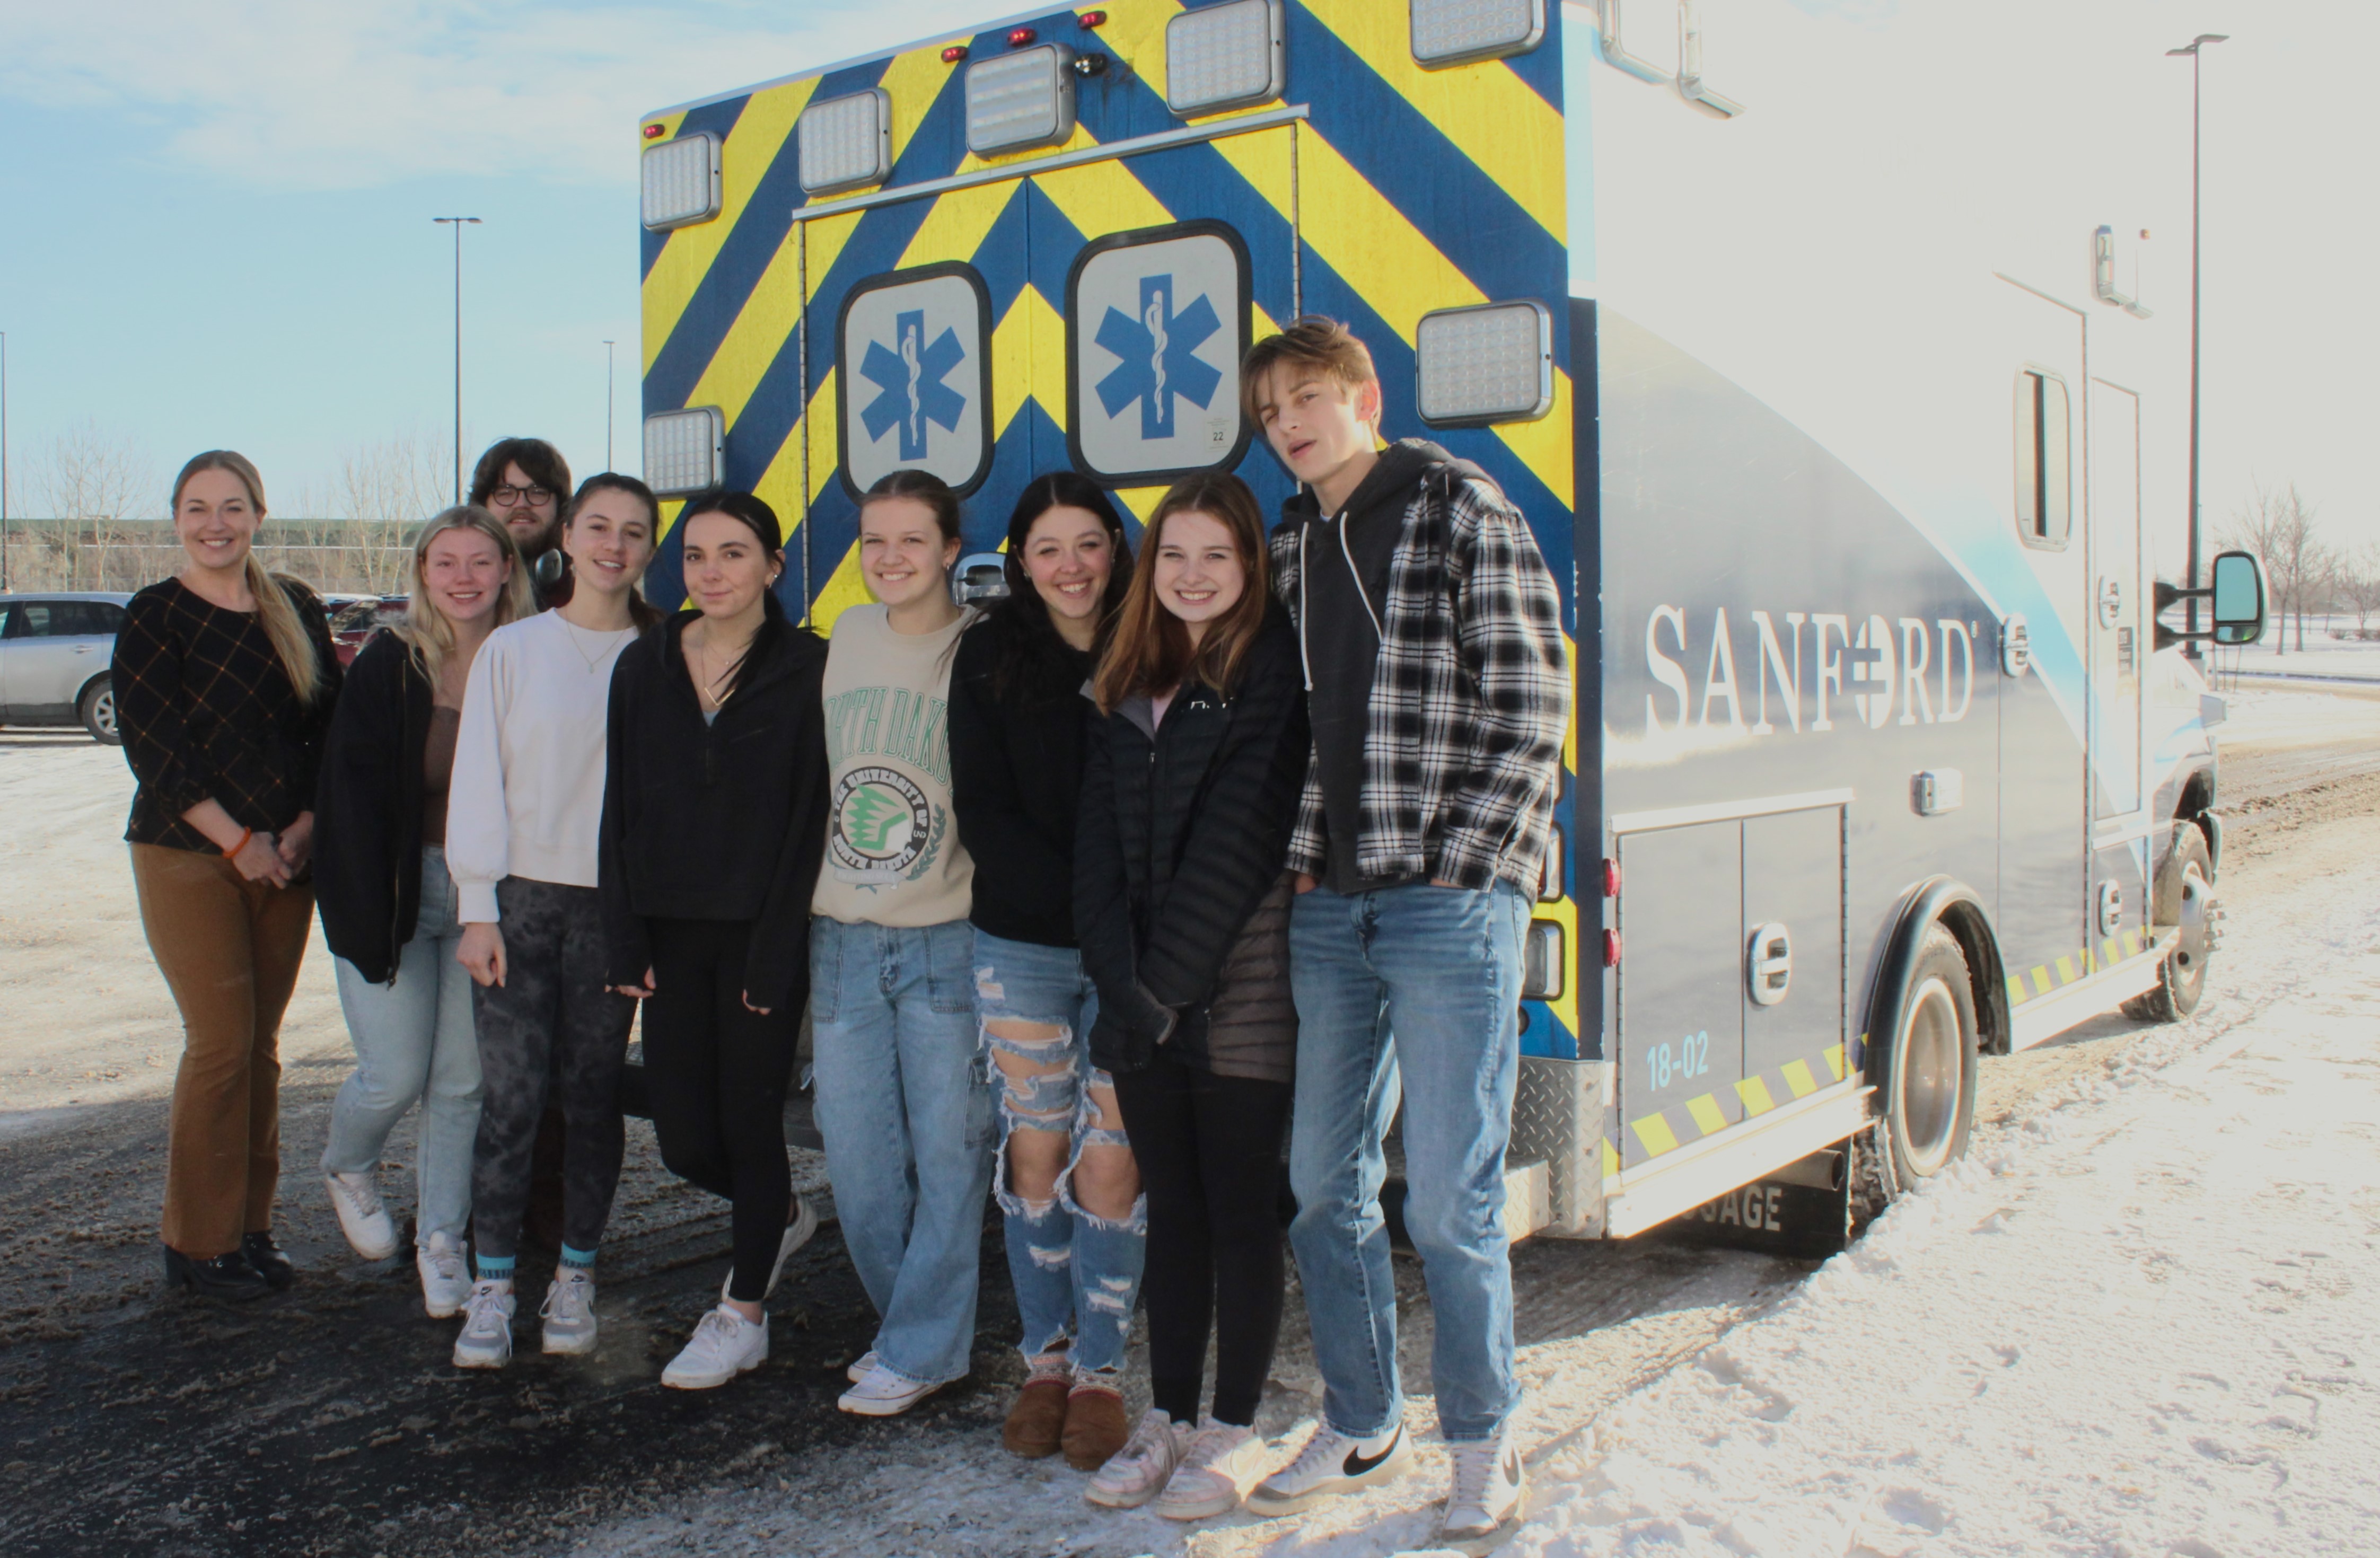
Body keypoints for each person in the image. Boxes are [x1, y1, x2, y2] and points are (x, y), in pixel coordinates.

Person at [1237, 318, 1570, 1555]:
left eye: (1311, 396)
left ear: (1365, 395)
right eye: (1272, 409)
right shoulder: (1290, 541)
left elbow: (1533, 695)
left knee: (1448, 1200)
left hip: (1443, 904)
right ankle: (1363, 1414)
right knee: (1322, 1187)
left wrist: (1466, 862)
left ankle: (1484, 1439)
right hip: (1329, 904)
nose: (1291, 422)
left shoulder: (1456, 505)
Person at [1072, 473, 1310, 1520]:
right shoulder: (1126, 676)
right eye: (1174, 555)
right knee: (1172, 1215)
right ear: (1150, 567)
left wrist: (1159, 988)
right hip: (1141, 1006)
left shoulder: (1269, 671)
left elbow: (1242, 837)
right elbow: (1094, 849)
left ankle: (1232, 1426)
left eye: (1216, 555)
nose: (1193, 574)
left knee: (1241, 1213)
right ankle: (1167, 1415)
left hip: (1241, 996)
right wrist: (1118, 985)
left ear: (1250, 566)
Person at [600, 490, 831, 1390]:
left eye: (734, 553)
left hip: (758, 933)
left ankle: (741, 1312)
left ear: (772, 565)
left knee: (747, 1117)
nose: (712, 572)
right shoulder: (642, 664)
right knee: (686, 1137)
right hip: (668, 930)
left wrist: (778, 950)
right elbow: (620, 806)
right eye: (696, 555)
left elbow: (808, 817)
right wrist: (626, 938)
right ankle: (771, 1216)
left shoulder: (807, 666)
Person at [444, 474, 661, 1369]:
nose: (614, 545)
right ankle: (492, 1286)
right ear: (566, 535)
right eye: (599, 526)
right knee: (511, 1100)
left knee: (590, 1097)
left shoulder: (665, 652)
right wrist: (476, 905)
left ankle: (574, 1273)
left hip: (614, 911)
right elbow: (477, 779)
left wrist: (651, 927)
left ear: (650, 547)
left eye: (635, 531)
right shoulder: (514, 648)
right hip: (522, 903)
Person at [949, 473, 1144, 1470]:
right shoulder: (985, 654)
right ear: (1019, 562)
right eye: (1046, 547)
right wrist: (1081, 908)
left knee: (1110, 1157)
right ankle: (1045, 1359)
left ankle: (1102, 1372)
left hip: (1135, 954)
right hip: (1021, 945)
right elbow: (979, 807)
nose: (1069, 565)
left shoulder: (1155, 645)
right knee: (1035, 1150)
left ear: (1116, 547)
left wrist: (1117, 922)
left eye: (1088, 542)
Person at [115, 450, 341, 1300]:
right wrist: (237, 839)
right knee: (217, 1044)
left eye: (233, 506)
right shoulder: (156, 614)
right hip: (188, 854)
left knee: (262, 1048)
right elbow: (155, 746)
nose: (216, 522)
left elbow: (330, 729)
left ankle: (251, 1228)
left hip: (288, 857)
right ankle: (196, 1242)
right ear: (176, 516)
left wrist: (305, 828)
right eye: (199, 506)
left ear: (259, 513)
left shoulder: (296, 607)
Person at [312, 506, 534, 1317]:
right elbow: (350, 803)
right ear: (423, 572)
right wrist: (363, 918)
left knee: (462, 1079)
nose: (466, 577)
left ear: (507, 569)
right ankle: (347, 1160)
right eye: (448, 562)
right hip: (395, 896)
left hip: (489, 901)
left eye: (482, 561)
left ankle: (441, 1239)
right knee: (394, 1071)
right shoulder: (388, 664)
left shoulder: (527, 658)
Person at [809, 469, 994, 1418]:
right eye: (873, 540)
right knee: (858, 1157)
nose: (889, 558)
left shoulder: (980, 649)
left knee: (952, 1152)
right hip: (841, 935)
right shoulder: (843, 636)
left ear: (949, 549)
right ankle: (914, 1331)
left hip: (942, 938)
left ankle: (922, 1345)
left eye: (910, 541)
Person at [469, 438, 574, 568]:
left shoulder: (589, 584)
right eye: (506, 493)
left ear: (560, 505)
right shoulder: (453, 583)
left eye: (537, 492)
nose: (521, 504)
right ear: (483, 505)